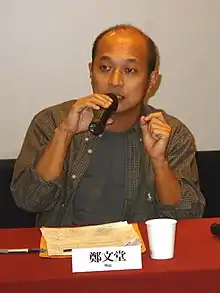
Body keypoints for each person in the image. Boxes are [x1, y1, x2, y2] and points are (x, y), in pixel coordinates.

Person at [10, 24, 205, 227]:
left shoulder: (171, 133)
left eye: (130, 70)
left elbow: (188, 217)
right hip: (67, 254)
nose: (115, 81)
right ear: (90, 71)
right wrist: (64, 133)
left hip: (140, 254)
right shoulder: (51, 121)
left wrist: (159, 161)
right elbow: (29, 200)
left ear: (151, 80)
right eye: (105, 68)